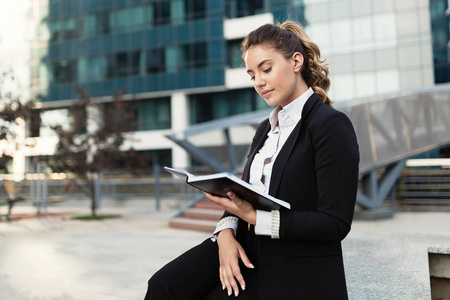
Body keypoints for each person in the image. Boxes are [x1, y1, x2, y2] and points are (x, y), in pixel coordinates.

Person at [145, 20, 359, 300]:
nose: (258, 81)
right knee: (163, 285)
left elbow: (335, 223)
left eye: (266, 69)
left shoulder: (330, 125)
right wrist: (225, 235)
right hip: (244, 242)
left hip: (291, 258)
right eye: (251, 74)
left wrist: (254, 217)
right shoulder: (266, 128)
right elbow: (243, 193)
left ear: (296, 61)